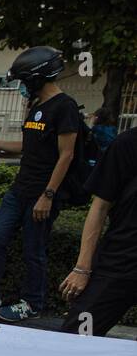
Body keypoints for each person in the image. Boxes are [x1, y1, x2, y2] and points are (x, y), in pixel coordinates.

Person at [0, 46, 78, 323]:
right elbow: (27, 146)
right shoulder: (36, 106)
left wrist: (48, 195)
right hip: (20, 189)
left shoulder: (64, 107)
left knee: (34, 250)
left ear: (36, 78)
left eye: (23, 81)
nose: (21, 87)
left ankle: (32, 303)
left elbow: (66, 154)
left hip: (42, 193)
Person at [59, 127, 137, 337]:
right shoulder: (127, 144)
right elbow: (100, 207)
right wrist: (82, 269)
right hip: (120, 262)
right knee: (77, 335)